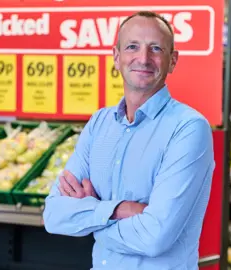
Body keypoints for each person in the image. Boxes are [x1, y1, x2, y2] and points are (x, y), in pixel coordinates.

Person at [43, 11, 215, 270]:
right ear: (116, 56)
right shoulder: (100, 123)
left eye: (155, 48)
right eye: (132, 46)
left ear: (173, 60)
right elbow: (55, 215)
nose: (143, 58)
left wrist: (92, 218)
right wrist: (121, 209)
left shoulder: (189, 128)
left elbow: (154, 237)